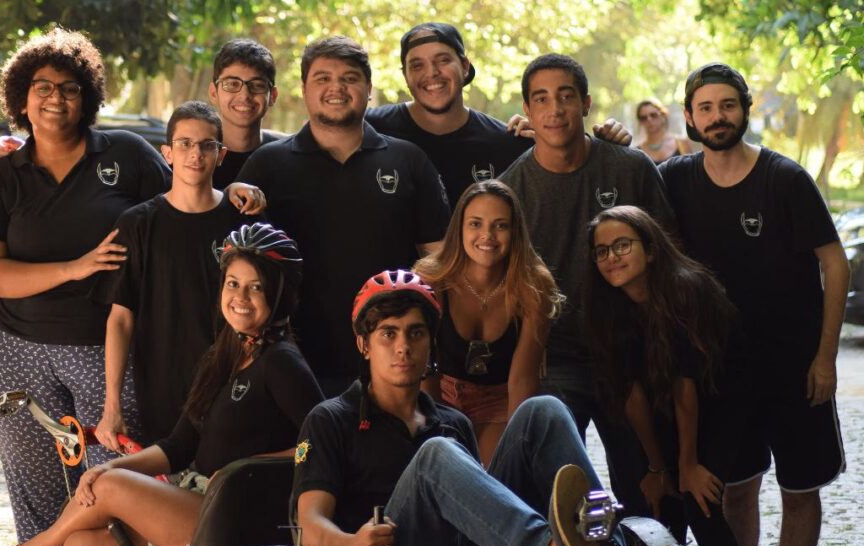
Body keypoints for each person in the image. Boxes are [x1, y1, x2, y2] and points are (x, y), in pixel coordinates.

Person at [0, 224, 324, 546]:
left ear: (280, 296)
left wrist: (248, 469)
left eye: (256, 287)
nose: (241, 296)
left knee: (110, 485)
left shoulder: (282, 363)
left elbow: (316, 448)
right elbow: (178, 446)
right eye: (233, 283)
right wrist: (111, 470)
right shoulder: (222, 356)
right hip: (198, 511)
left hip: (239, 524)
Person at [0, 28, 171, 546]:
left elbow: (181, 213)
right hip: (16, 351)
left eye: (70, 88)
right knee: (38, 499)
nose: (56, 99)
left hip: (107, 349)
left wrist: (237, 196)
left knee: (110, 490)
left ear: (88, 97)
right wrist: (76, 267)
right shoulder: (3, 176)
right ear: (21, 100)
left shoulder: (128, 156)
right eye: (42, 88)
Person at [291, 269, 659, 546]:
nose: (403, 347)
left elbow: (480, 510)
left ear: (431, 343)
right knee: (437, 454)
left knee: (543, 411)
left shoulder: (453, 422)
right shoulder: (331, 420)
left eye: (415, 333)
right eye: (388, 334)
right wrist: (352, 545)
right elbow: (310, 525)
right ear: (364, 345)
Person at [659, 63, 849, 546]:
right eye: (705, 108)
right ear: (689, 117)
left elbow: (835, 263)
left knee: (800, 489)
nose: (717, 117)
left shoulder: (785, 179)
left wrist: (825, 357)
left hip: (794, 367)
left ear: (745, 110)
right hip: (719, 373)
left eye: (727, 105)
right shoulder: (674, 180)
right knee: (736, 493)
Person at [584, 205, 762, 546]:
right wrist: (657, 468)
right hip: (661, 403)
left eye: (622, 245)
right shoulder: (607, 305)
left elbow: (689, 385)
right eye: (601, 251)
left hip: (719, 398)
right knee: (657, 514)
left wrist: (686, 466)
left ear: (649, 246)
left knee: (700, 503)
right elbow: (631, 394)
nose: (612, 258)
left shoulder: (685, 289)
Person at [498, 53, 677, 518]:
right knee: (558, 494)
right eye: (541, 99)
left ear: (587, 104)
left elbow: (670, 260)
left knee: (651, 490)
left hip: (631, 355)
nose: (554, 109)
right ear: (528, 111)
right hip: (555, 358)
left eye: (566, 97)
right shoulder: (511, 189)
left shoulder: (630, 168)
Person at [238, 36, 450, 395]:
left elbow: (440, 266)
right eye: (323, 78)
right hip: (289, 364)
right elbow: (238, 271)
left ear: (369, 88)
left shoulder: (409, 161)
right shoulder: (267, 165)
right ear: (304, 89)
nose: (336, 87)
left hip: (391, 364)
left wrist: (429, 363)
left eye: (350, 78)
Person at [93, 101, 265, 449]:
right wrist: (112, 405)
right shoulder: (138, 224)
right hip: (162, 388)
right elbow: (121, 319)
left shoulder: (242, 224)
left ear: (221, 154)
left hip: (233, 386)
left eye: (207, 145)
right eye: (185, 143)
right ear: (167, 153)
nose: (195, 154)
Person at [366, 22, 632, 209]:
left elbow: (567, 157)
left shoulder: (507, 140)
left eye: (443, 60)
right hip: (388, 286)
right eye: (417, 65)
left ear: (465, 66)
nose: (432, 72)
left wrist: (608, 145)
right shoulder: (371, 129)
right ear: (405, 76)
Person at [413, 180, 561, 464]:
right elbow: (425, 370)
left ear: (515, 231)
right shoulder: (432, 280)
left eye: (500, 225)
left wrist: (519, 445)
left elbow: (523, 378)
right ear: (460, 228)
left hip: (500, 400)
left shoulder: (533, 284)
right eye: (476, 224)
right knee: (447, 464)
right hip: (440, 395)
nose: (487, 236)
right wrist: (435, 427)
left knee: (497, 475)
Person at [208, 39, 286, 189]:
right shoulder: (193, 158)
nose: (244, 95)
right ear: (213, 93)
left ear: (273, 95)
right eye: (232, 84)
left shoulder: (287, 155)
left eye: (256, 85)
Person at [635, 98, 691, 164]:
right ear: (640, 121)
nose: (649, 119)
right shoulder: (637, 151)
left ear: (663, 115)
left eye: (653, 115)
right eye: (644, 118)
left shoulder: (682, 143)